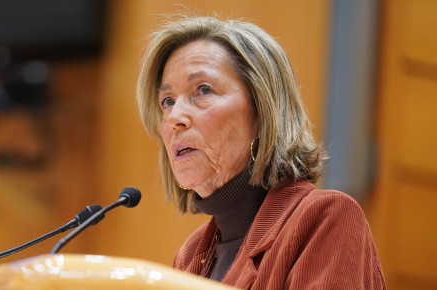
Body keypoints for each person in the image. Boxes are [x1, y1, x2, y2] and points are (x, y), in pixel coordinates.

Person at [136, 16, 385, 289]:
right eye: (168, 101)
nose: (175, 117)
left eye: (203, 90)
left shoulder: (324, 219)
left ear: (261, 113)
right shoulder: (189, 257)